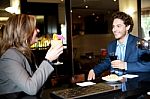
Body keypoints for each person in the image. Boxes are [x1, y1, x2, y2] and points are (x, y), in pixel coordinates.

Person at [0, 14, 63, 98]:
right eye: (34, 28)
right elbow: (31, 88)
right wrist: (48, 60)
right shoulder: (10, 56)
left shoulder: (26, 53)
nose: (38, 30)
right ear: (24, 32)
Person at [88, 11, 150, 80]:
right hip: (114, 85)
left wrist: (125, 65)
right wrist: (94, 70)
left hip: (133, 87)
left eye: (118, 26)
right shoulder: (111, 45)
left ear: (127, 27)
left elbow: (148, 65)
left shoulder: (139, 43)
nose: (114, 30)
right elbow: (108, 61)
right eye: (113, 26)